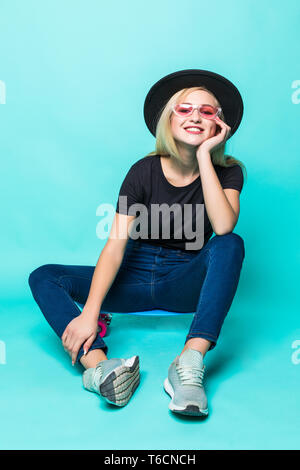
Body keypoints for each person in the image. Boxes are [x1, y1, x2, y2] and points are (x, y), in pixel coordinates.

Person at [28, 69, 247, 417]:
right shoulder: (143, 171)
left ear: (220, 126)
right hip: (132, 278)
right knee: (44, 276)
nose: (195, 117)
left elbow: (222, 226)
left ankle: (189, 365)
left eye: (207, 112)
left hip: (183, 283)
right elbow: (115, 245)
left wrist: (206, 156)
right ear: (168, 119)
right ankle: (101, 370)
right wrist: (88, 313)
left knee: (231, 243)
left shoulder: (229, 172)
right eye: (185, 109)